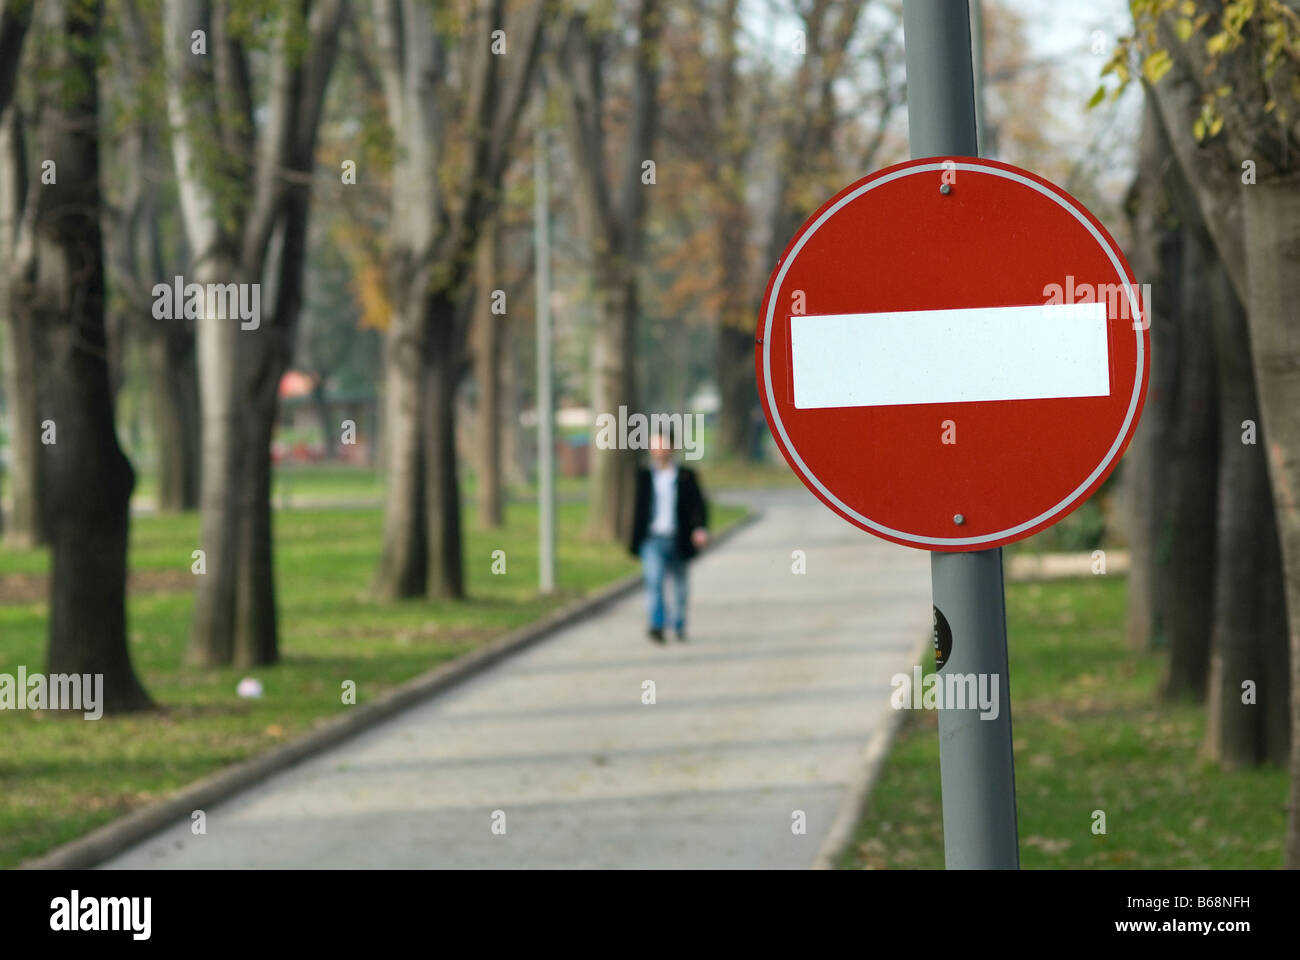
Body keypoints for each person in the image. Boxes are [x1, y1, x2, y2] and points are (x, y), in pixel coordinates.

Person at [629, 429, 709, 644]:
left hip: (679, 538)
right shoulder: (643, 477)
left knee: (680, 586)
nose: (660, 451)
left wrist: (700, 529)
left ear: (672, 448)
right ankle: (657, 625)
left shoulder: (686, 476)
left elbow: (698, 505)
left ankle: (679, 624)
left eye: (663, 446)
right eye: (656, 446)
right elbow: (635, 509)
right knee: (654, 582)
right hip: (652, 539)